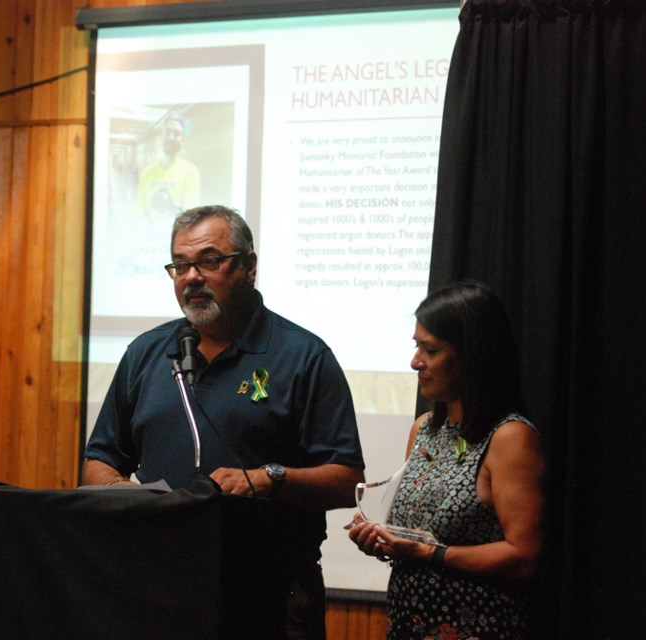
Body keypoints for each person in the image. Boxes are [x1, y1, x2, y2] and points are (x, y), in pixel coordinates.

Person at [84, 205, 365, 639]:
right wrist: (120, 491)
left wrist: (269, 478)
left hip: (269, 597)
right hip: (157, 591)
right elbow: (98, 460)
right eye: (180, 265)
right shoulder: (147, 353)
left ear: (249, 266)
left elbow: (347, 480)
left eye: (209, 261)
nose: (191, 277)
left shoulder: (303, 357)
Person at [348, 281, 545, 639]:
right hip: (410, 626)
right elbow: (417, 540)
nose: (414, 362)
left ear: (472, 355)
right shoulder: (424, 429)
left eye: (430, 349)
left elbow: (525, 555)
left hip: (478, 628)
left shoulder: (509, 437)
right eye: (416, 346)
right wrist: (381, 541)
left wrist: (432, 553)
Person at [137, 118, 201, 221]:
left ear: (183, 140)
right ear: (161, 137)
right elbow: (140, 212)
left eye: (176, 133)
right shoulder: (147, 173)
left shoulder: (191, 172)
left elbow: (191, 215)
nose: (171, 137)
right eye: (167, 132)